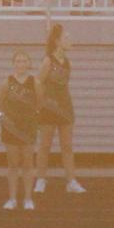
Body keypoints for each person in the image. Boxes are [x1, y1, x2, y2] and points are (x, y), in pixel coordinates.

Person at [35, 23, 82, 197]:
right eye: (66, 37)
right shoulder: (48, 60)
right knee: (45, 146)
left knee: (67, 146)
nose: (70, 40)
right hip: (48, 109)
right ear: (57, 41)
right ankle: (40, 179)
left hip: (65, 108)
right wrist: (39, 107)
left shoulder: (67, 62)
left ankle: (71, 181)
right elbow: (38, 83)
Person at [0, 48, 39, 211]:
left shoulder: (35, 82)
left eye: (24, 61)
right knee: (13, 164)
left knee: (28, 163)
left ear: (29, 64)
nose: (21, 64)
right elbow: (0, 102)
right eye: (18, 61)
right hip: (11, 128)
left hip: (28, 127)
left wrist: (31, 119)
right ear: (13, 64)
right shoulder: (7, 82)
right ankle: (12, 198)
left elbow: (39, 102)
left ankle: (28, 198)